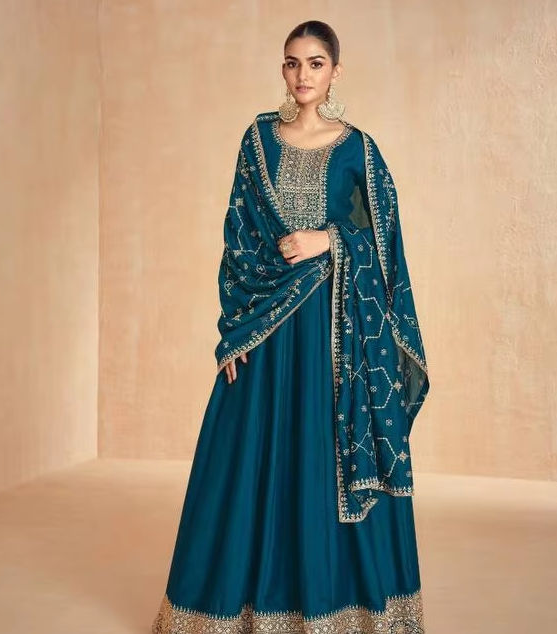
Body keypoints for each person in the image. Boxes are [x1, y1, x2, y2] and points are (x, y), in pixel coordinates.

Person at [151, 19, 430, 634]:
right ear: (283, 69)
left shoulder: (359, 150)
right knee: (246, 461)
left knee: (322, 456)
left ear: (335, 71)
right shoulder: (258, 141)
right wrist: (235, 331)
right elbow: (239, 241)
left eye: (315, 63)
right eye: (292, 62)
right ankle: (234, 608)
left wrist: (329, 240)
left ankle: (341, 608)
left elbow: (386, 247)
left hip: (336, 334)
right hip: (269, 330)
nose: (302, 75)